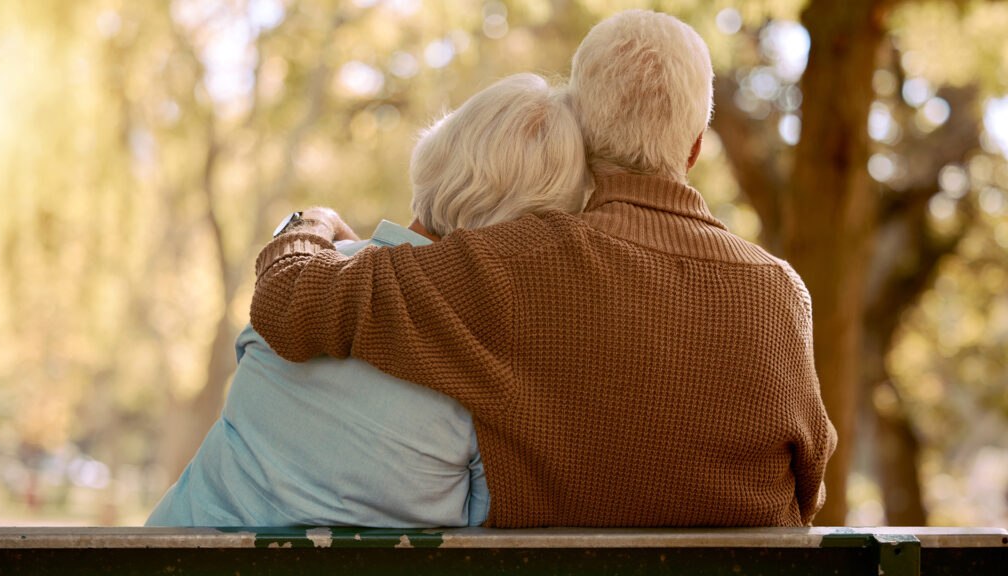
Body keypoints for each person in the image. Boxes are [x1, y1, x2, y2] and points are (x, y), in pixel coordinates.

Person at [251, 9, 837, 528]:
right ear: (694, 148)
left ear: (580, 132)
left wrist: (313, 222)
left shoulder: (515, 264)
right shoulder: (780, 294)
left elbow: (287, 303)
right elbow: (809, 488)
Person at [146, 73, 588, 527]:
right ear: (532, 230)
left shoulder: (298, 280)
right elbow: (477, 518)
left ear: (440, 155)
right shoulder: (488, 371)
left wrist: (320, 225)